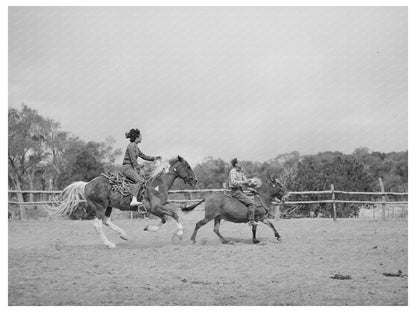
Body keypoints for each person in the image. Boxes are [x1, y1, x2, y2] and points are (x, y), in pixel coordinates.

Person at [121, 128, 161, 206]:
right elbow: (133, 160)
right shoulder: (131, 146)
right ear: (137, 137)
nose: (141, 138)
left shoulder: (135, 146)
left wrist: (154, 158)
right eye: (140, 136)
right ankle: (134, 200)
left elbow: (143, 156)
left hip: (131, 167)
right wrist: (139, 169)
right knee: (140, 181)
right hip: (127, 168)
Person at [228, 158, 258, 226]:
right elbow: (233, 182)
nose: (241, 163)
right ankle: (251, 221)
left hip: (240, 191)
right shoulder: (233, 171)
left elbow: (246, 182)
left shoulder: (241, 171)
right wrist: (245, 182)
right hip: (235, 191)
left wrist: (252, 182)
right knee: (251, 203)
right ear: (236, 164)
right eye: (239, 162)